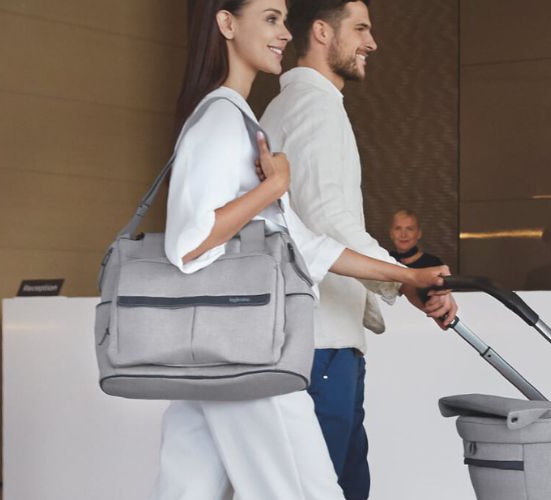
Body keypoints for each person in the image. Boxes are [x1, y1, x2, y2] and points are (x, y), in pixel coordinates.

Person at [153, 1, 453, 499]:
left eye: (283, 20)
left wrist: (407, 278)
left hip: (232, 347)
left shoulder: (254, 117)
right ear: (227, 24)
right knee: (316, 489)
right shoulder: (235, 118)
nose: (283, 34)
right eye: (271, 19)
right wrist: (273, 189)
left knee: (191, 490)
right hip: (266, 348)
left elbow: (304, 242)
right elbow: (187, 244)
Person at [260, 2, 458, 498]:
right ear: (323, 32)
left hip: (304, 338)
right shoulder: (316, 108)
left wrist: (402, 282)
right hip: (322, 342)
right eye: (362, 29)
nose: (372, 43)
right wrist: (405, 277)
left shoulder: (282, 108)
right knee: (329, 487)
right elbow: (331, 221)